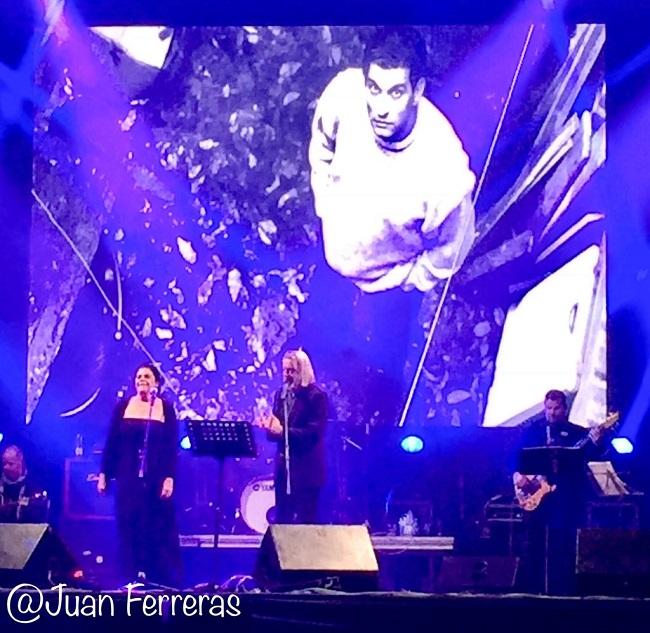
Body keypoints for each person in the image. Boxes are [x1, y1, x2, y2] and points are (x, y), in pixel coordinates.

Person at [309, 26, 476, 294]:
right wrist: (324, 205)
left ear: (417, 91)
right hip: (333, 256)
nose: (381, 109)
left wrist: (409, 282)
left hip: (385, 290)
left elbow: (453, 247)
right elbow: (321, 150)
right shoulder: (342, 96)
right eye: (374, 89)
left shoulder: (444, 171)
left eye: (396, 92)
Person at [513, 389, 607, 594]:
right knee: (534, 541)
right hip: (535, 495)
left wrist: (597, 439)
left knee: (563, 542)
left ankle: (563, 588)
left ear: (564, 409)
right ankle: (532, 587)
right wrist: (518, 476)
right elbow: (518, 458)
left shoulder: (576, 432)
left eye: (556, 409)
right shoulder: (533, 430)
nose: (552, 413)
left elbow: (587, 457)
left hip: (564, 497)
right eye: (548, 408)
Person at [97, 363, 181, 587]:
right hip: (128, 475)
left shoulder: (166, 408)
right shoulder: (123, 406)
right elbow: (112, 442)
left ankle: (156, 576)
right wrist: (104, 473)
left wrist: (169, 477)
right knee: (128, 523)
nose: (142, 379)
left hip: (156, 476)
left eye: (147, 376)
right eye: (138, 376)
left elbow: (172, 446)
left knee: (154, 525)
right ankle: (130, 575)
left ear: (156, 382)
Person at [259, 349, 329, 524]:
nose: (287, 375)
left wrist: (282, 431)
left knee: (306, 522)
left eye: (291, 371)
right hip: (284, 467)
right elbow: (276, 432)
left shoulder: (316, 397)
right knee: (283, 519)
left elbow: (312, 434)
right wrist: (269, 428)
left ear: (303, 371)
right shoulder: (280, 395)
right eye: (285, 370)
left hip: (307, 469)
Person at [0, 445, 49, 523]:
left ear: (20, 463)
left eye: (10, 464)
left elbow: (38, 515)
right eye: (4, 463)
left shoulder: (33, 485)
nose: (6, 467)